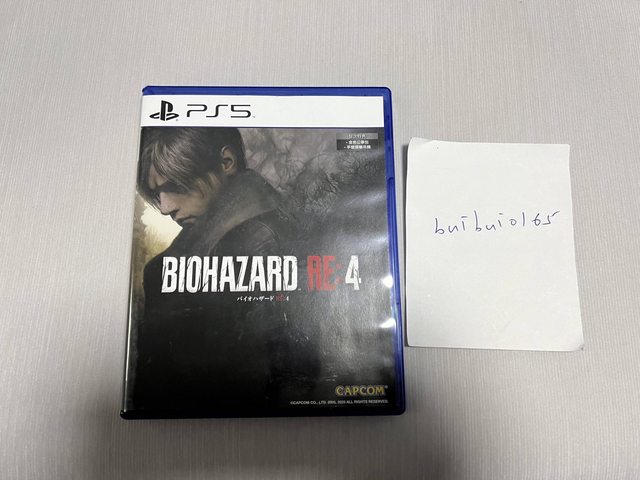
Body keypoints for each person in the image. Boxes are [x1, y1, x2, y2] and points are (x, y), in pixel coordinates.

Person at [131, 127, 310, 415]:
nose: (164, 207)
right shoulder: (196, 250)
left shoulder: (258, 242)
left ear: (226, 162)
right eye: (156, 193)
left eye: (175, 185)